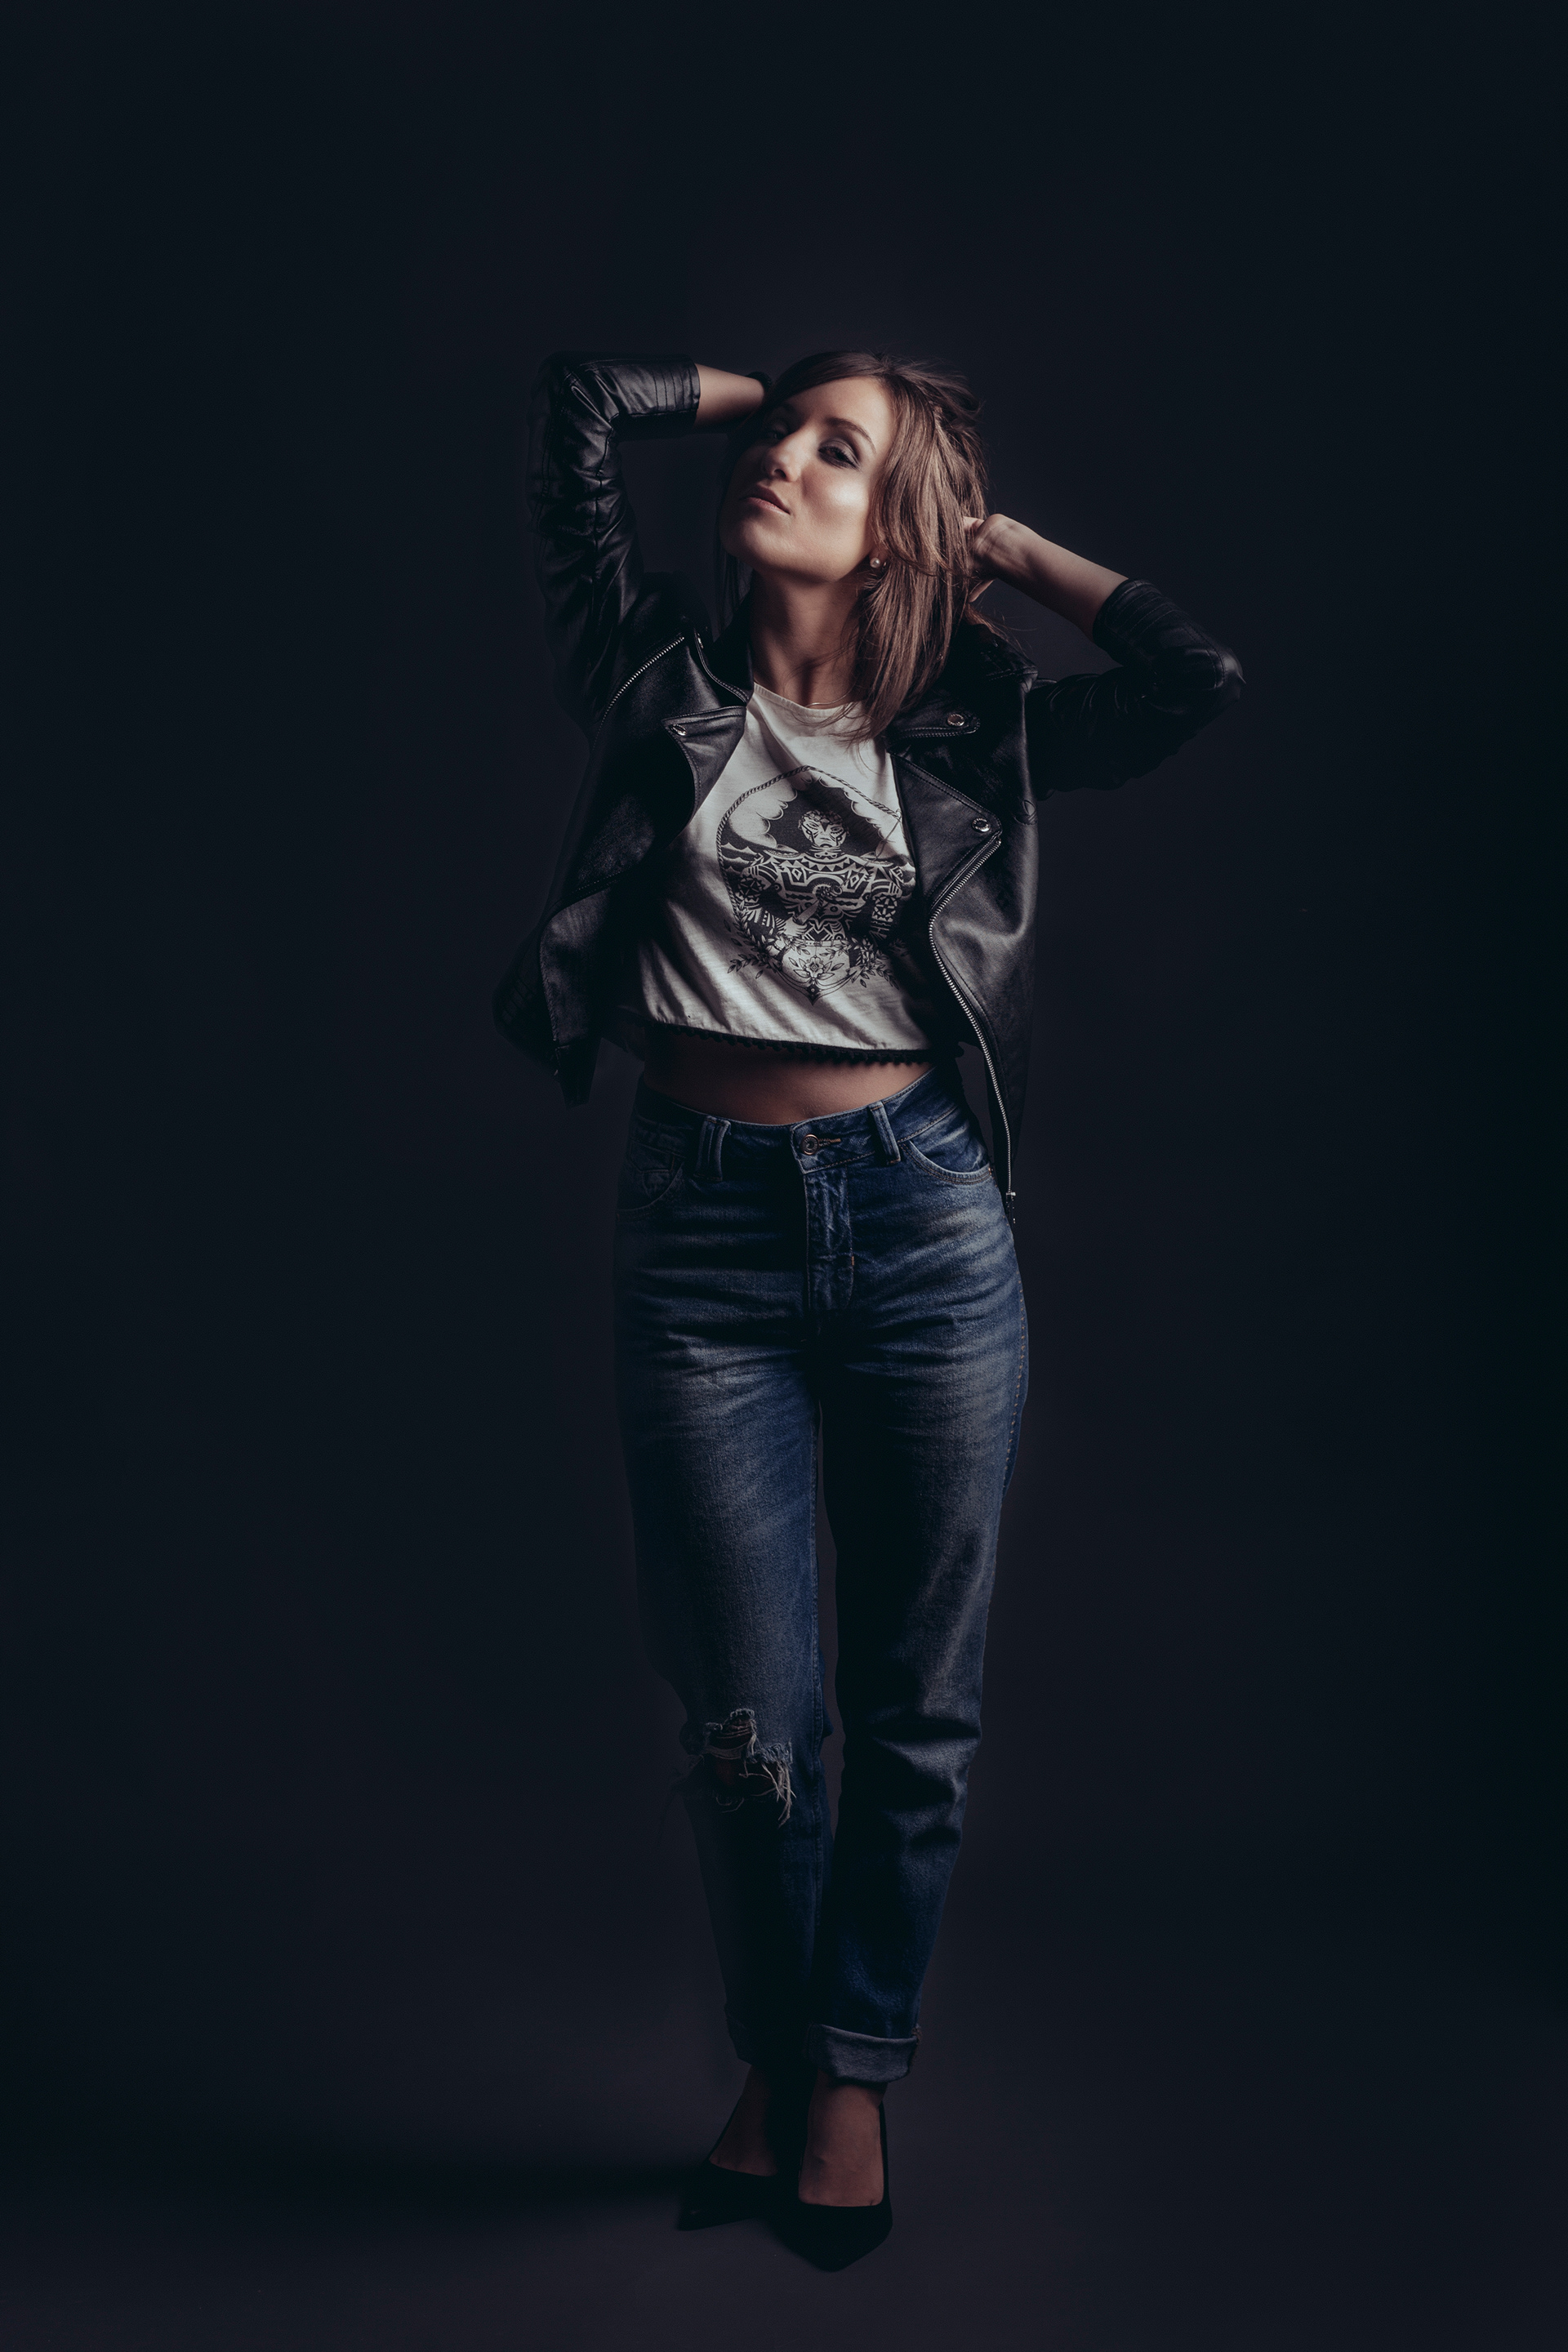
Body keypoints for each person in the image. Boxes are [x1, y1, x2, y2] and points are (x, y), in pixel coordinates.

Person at [495, 350, 1242, 2265]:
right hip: (702, 1237)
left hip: (921, 1226)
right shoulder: (653, 677)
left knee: (919, 1710)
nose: (784, 459)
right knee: (748, 1729)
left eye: (840, 453)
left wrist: (1013, 552)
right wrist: (739, 385)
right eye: (781, 433)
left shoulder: (980, 723)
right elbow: (573, 413)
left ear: (902, 528)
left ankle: (845, 2080)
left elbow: (1191, 681)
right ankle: (776, 2050)